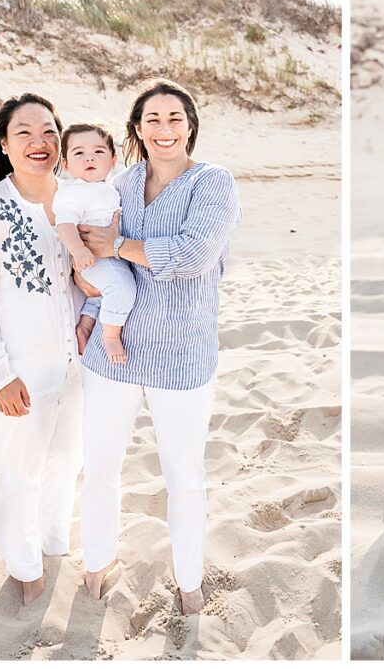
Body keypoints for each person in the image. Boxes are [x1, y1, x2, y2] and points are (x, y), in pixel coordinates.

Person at [75, 79, 241, 614]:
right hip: (112, 352)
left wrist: (121, 245)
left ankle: (189, 580)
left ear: (190, 125)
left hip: (182, 356)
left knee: (183, 475)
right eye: (152, 119)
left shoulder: (213, 183)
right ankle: (97, 561)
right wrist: (89, 307)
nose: (163, 129)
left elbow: (193, 255)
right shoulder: (117, 185)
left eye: (174, 118)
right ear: (137, 129)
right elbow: (95, 260)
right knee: (100, 465)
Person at [0, 93, 93, 606]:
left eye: (50, 131)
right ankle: (24, 566)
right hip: (19, 371)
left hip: (78, 365)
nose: (40, 142)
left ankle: (53, 545)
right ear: (4, 145)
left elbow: (102, 276)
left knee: (66, 461)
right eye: (25, 133)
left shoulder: (80, 197)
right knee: (18, 473)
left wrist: (93, 320)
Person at [54, 123, 135, 364]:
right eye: (79, 152)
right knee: (122, 289)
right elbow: (65, 223)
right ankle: (110, 335)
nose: (90, 157)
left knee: (101, 296)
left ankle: (86, 324)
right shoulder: (73, 191)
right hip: (92, 259)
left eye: (99, 151)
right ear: (66, 164)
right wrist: (78, 250)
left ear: (112, 160)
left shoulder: (108, 188)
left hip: (111, 256)